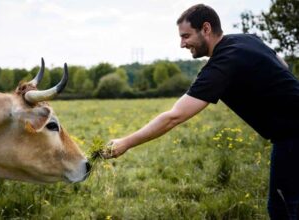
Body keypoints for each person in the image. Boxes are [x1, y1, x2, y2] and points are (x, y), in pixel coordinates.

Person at [103, 4, 299, 219]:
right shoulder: (247, 39)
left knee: (286, 209)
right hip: (287, 137)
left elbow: (173, 117)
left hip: (292, 138)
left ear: (206, 29)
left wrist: (126, 142)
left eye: (186, 36)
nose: (182, 44)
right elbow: (282, 65)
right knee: (281, 206)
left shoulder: (221, 65)